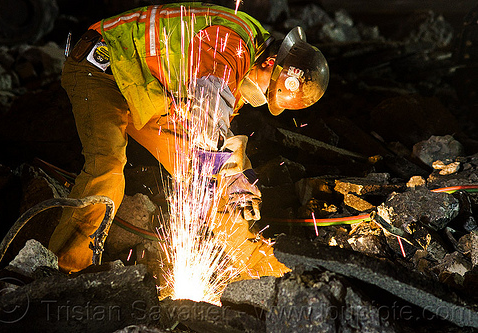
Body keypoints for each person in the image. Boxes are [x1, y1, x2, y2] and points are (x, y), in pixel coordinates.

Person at [48, 2, 329, 278]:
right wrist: (221, 165)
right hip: (102, 69)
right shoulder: (232, 45)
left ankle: (256, 267)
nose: (260, 95)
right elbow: (208, 113)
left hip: (148, 88)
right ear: (270, 63)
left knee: (219, 171)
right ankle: (65, 269)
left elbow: (215, 134)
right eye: (269, 88)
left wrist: (240, 178)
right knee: (107, 164)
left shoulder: (249, 59)